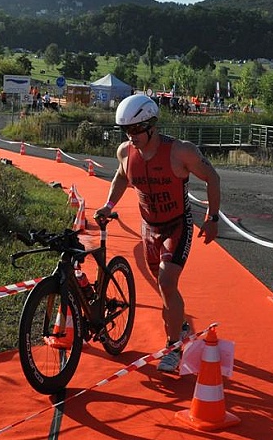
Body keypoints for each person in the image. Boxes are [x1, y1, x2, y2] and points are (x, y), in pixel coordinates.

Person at [94, 94, 221, 373]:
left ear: (152, 124)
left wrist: (212, 218)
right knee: (165, 288)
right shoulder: (125, 152)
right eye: (126, 130)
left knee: (166, 280)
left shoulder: (180, 151)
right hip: (148, 227)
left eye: (137, 129)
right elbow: (121, 177)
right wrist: (108, 204)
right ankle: (182, 326)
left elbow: (212, 177)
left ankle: (174, 345)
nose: (132, 135)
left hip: (177, 224)